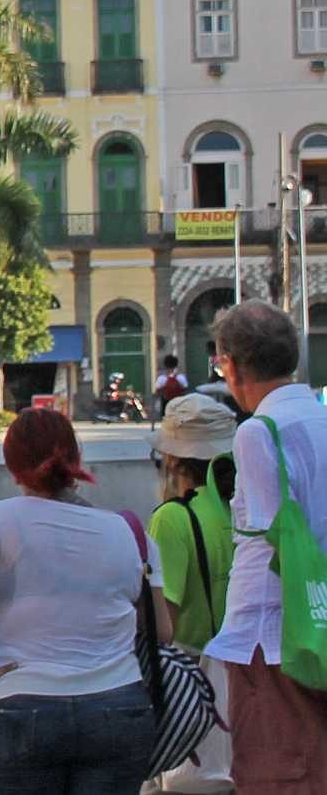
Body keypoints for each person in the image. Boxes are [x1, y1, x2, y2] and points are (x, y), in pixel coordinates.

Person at [0, 407, 163, 795]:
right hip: (117, 707)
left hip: (21, 707)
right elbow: (162, 629)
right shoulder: (129, 532)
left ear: (12, 467)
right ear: (76, 458)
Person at [202, 302, 327, 793]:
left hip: (271, 628)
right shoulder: (319, 418)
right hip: (317, 618)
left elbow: (272, 533)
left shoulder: (259, 432)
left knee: (272, 766)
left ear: (233, 364)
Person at [146, 392, 237, 794]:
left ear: (172, 460)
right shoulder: (241, 510)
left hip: (191, 686)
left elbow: (164, 622)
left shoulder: (172, 518)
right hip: (242, 678)